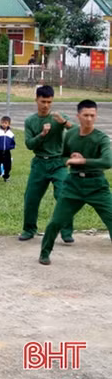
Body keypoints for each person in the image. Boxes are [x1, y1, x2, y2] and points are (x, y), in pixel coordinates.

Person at [39, 100, 112, 265]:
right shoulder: (71, 134)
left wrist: (83, 161)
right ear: (78, 116)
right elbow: (62, 156)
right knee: (56, 222)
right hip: (74, 185)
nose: (89, 119)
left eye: (92, 115)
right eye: (85, 115)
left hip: (97, 186)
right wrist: (69, 159)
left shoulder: (101, 138)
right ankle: (44, 253)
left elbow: (108, 162)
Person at [20, 85, 74, 242]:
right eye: (43, 101)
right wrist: (42, 134)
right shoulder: (30, 121)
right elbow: (29, 144)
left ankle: (66, 231)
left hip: (58, 163)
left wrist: (64, 122)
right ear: (36, 100)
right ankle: (29, 229)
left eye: (49, 102)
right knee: (31, 197)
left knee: (63, 195)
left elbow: (77, 131)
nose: (46, 105)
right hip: (39, 163)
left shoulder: (58, 117)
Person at [0, 116, 15, 182]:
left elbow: (13, 143)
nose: (4, 124)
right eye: (2, 123)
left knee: (8, 166)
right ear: (0, 123)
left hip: (7, 152)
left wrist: (10, 147)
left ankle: (6, 177)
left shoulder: (11, 134)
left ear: (9, 124)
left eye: (5, 123)